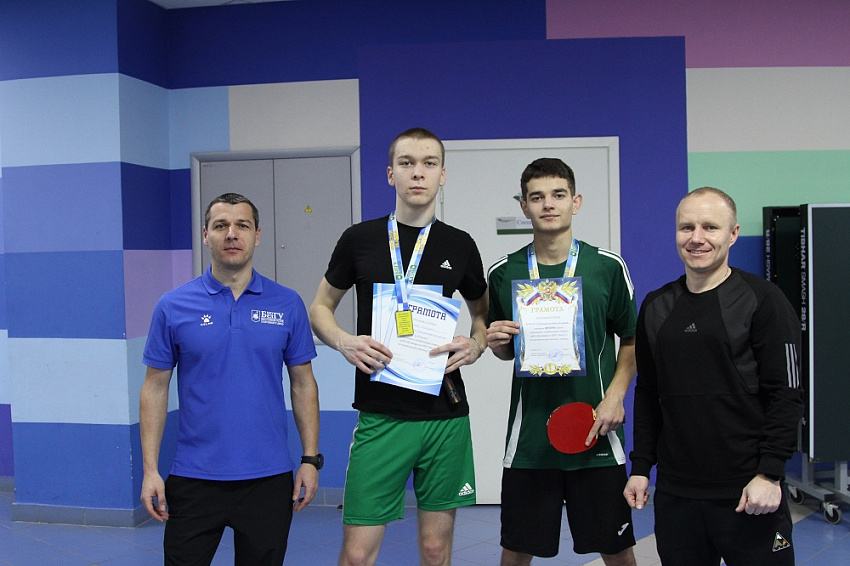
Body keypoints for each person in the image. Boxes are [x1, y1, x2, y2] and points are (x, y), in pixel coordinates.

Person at [310, 127, 489, 566]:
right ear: (391, 174)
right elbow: (319, 308)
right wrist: (344, 342)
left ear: (442, 174)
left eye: (429, 163)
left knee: (435, 549)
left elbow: (482, 315)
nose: (418, 173)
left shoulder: (460, 244)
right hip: (381, 414)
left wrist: (476, 344)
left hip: (444, 415)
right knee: (357, 555)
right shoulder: (359, 239)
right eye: (406, 163)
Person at [624, 187, 804, 565]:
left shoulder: (764, 300)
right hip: (677, 494)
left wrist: (770, 474)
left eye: (710, 227)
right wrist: (641, 467)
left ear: (733, 234)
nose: (697, 238)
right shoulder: (656, 306)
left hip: (748, 490)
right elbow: (648, 393)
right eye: (686, 227)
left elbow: (786, 393)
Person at [139, 193, 321, 565]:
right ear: (206, 234)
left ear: (257, 235)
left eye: (242, 225)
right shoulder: (173, 306)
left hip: (268, 478)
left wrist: (309, 459)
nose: (231, 234)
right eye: (221, 225)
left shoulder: (287, 303)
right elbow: (154, 388)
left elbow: (303, 383)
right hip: (194, 476)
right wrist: (150, 470)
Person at [486, 158, 638, 566]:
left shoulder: (607, 267)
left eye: (558, 195)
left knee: (617, 551)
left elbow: (632, 338)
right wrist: (497, 344)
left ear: (576, 201)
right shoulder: (503, 272)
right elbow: (506, 350)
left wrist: (616, 396)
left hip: (596, 431)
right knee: (516, 551)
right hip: (529, 440)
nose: (548, 204)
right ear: (524, 206)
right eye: (537, 197)